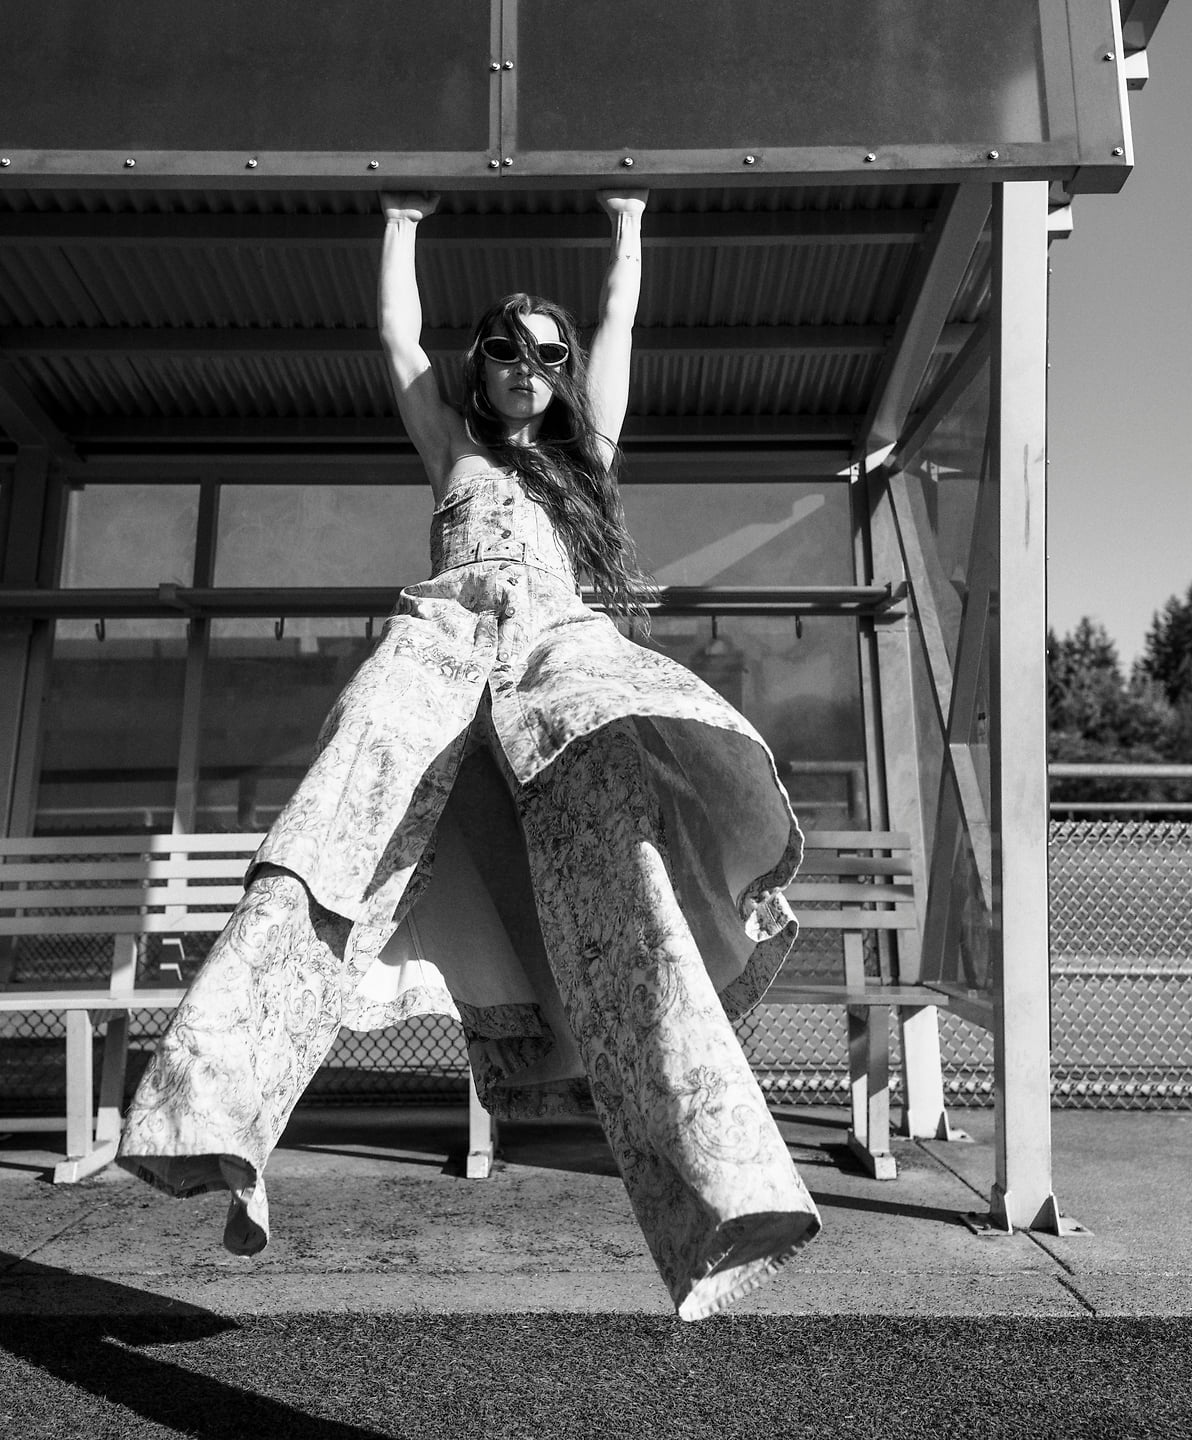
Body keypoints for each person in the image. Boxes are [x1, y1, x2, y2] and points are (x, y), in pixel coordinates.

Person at [118, 191, 821, 1321]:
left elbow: (620, 326)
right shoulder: (449, 446)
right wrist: (401, 222)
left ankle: (725, 1192)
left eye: (549, 354)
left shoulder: (586, 460)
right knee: (328, 840)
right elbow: (397, 338)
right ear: (479, 367)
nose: (528, 366)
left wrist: (628, 223)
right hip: (442, 651)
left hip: (552, 662)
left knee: (623, 872)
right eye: (506, 349)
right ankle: (212, 1120)